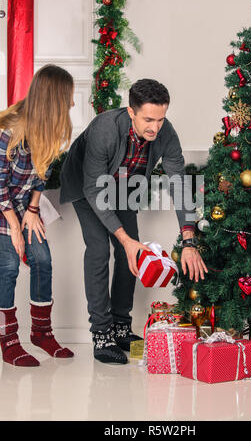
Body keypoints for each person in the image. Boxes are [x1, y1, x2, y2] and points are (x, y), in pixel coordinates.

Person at [60, 79, 208, 365]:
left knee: (134, 252)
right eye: (148, 119)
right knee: (100, 249)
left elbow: (178, 183)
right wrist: (123, 238)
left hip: (125, 185)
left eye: (161, 119)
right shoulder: (105, 129)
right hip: (87, 186)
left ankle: (120, 325)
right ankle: (102, 334)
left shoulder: (166, 133)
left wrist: (189, 239)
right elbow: (93, 189)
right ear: (131, 112)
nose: (155, 127)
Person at [0, 64, 75, 367]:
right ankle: (7, 338)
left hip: (22, 205)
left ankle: (41, 332)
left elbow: (41, 173)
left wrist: (33, 211)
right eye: (68, 96)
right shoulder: (9, 131)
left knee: (42, 259)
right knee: (7, 266)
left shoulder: (52, 127)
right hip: (2, 204)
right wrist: (15, 227)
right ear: (54, 98)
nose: (72, 103)